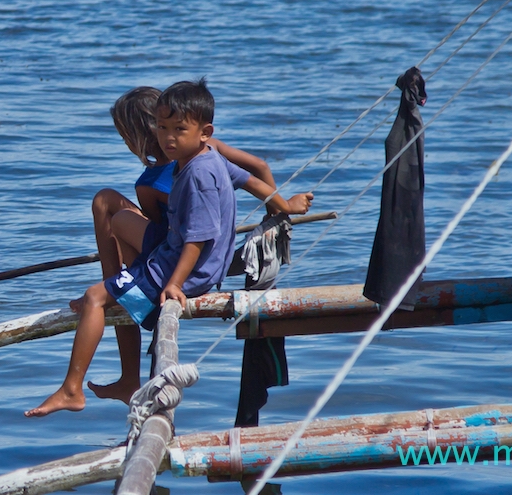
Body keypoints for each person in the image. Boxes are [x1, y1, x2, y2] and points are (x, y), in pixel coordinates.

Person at [27, 78, 252, 416]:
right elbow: (256, 171)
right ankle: (116, 297)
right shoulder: (206, 157)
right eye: (164, 127)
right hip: (184, 264)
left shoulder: (180, 175)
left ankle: (72, 389)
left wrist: (174, 283)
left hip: (177, 269)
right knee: (108, 226)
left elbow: (196, 236)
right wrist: (283, 206)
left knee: (94, 296)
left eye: (175, 128)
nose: (168, 135)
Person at [86, 86, 313, 404]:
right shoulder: (211, 148)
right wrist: (278, 214)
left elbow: (172, 236)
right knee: (115, 215)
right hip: (214, 257)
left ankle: (115, 291)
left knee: (106, 206)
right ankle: (116, 290)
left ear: (135, 136)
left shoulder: (149, 184)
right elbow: (258, 167)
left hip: (182, 261)